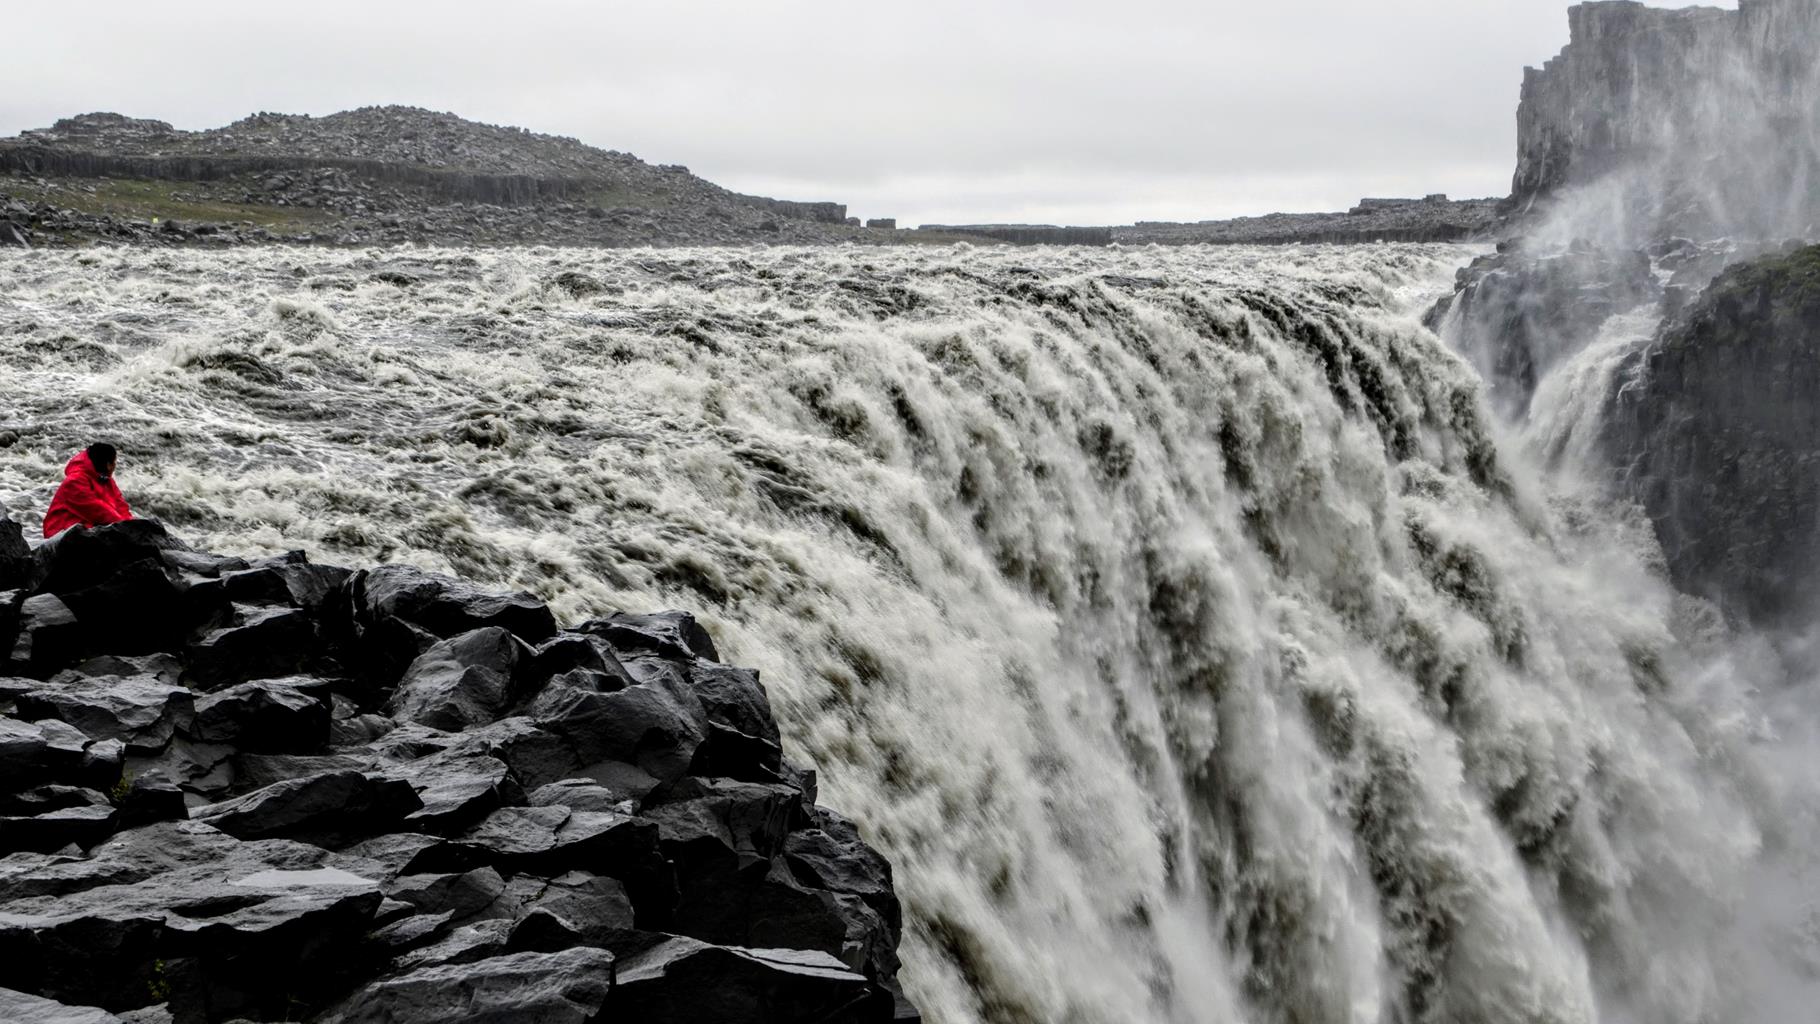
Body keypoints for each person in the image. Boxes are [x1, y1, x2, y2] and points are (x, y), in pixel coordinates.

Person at [43, 442, 134, 539]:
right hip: (60, 534)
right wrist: (125, 528)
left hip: (85, 528)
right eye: (115, 462)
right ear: (108, 464)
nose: (115, 466)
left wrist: (131, 526)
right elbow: (96, 510)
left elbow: (121, 506)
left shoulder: (106, 480)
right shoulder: (75, 481)